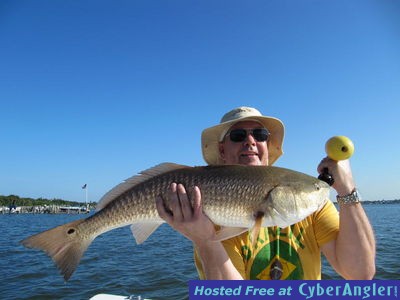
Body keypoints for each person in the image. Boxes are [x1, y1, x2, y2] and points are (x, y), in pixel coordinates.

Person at [156, 106, 375, 280]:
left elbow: (359, 274)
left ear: (267, 146)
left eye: (260, 135)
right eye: (238, 135)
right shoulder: (205, 220)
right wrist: (205, 241)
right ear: (222, 150)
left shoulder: (314, 208)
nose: (250, 141)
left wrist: (347, 192)